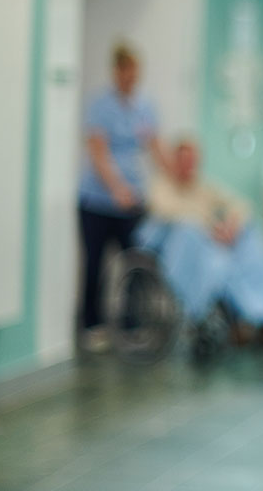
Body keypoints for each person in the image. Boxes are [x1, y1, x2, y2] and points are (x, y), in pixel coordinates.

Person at [139, 139, 263, 343]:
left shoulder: (203, 186)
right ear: (175, 161)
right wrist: (210, 228)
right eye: (184, 160)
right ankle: (242, 315)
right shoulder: (161, 186)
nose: (189, 166)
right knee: (217, 261)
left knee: (251, 240)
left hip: (214, 242)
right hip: (182, 247)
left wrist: (231, 225)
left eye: (192, 161)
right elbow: (167, 212)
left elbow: (239, 204)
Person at [77, 43, 169, 352]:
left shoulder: (144, 106)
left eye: (135, 73)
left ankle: (131, 323)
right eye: (125, 72)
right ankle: (92, 325)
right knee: (95, 264)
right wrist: (116, 188)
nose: (130, 78)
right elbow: (98, 151)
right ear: (116, 72)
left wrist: (177, 177)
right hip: (98, 202)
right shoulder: (101, 106)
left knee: (136, 261)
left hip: (132, 202)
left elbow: (156, 148)